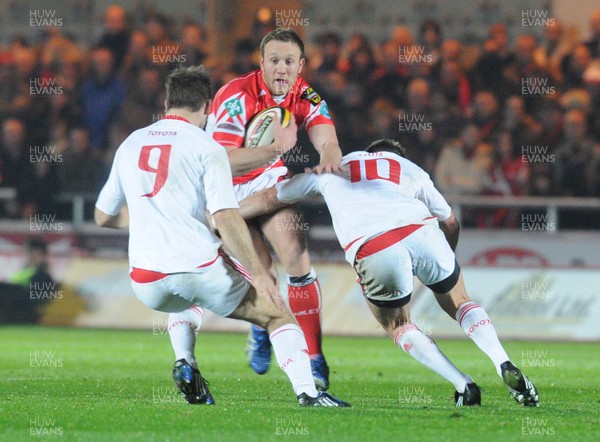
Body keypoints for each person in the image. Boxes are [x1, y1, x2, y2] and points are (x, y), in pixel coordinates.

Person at [94, 66, 349, 408]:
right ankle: (310, 393)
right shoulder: (207, 147)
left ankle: (185, 361)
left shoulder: (130, 143)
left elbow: (102, 216)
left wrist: (149, 216)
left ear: (167, 101)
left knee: (184, 297)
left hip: (145, 282)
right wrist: (260, 276)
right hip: (198, 269)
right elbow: (226, 216)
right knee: (277, 313)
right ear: (209, 107)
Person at [236, 139, 540, 407]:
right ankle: (502, 360)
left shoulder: (331, 167)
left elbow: (268, 199)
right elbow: (451, 223)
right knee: (459, 299)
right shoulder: (411, 169)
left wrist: (224, 215)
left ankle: (464, 384)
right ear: (395, 156)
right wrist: (445, 266)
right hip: (421, 230)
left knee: (398, 323)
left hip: (373, 244)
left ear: (368, 154)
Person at [206, 28, 343, 389]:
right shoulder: (236, 96)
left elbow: (327, 138)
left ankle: (315, 357)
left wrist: (329, 156)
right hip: (228, 198)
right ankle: (261, 327)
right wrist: (275, 150)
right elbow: (221, 162)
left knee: (296, 253)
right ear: (261, 63)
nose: (282, 68)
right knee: (264, 273)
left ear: (300, 65)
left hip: (269, 184)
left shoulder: (304, 93)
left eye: (289, 61)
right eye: (274, 61)